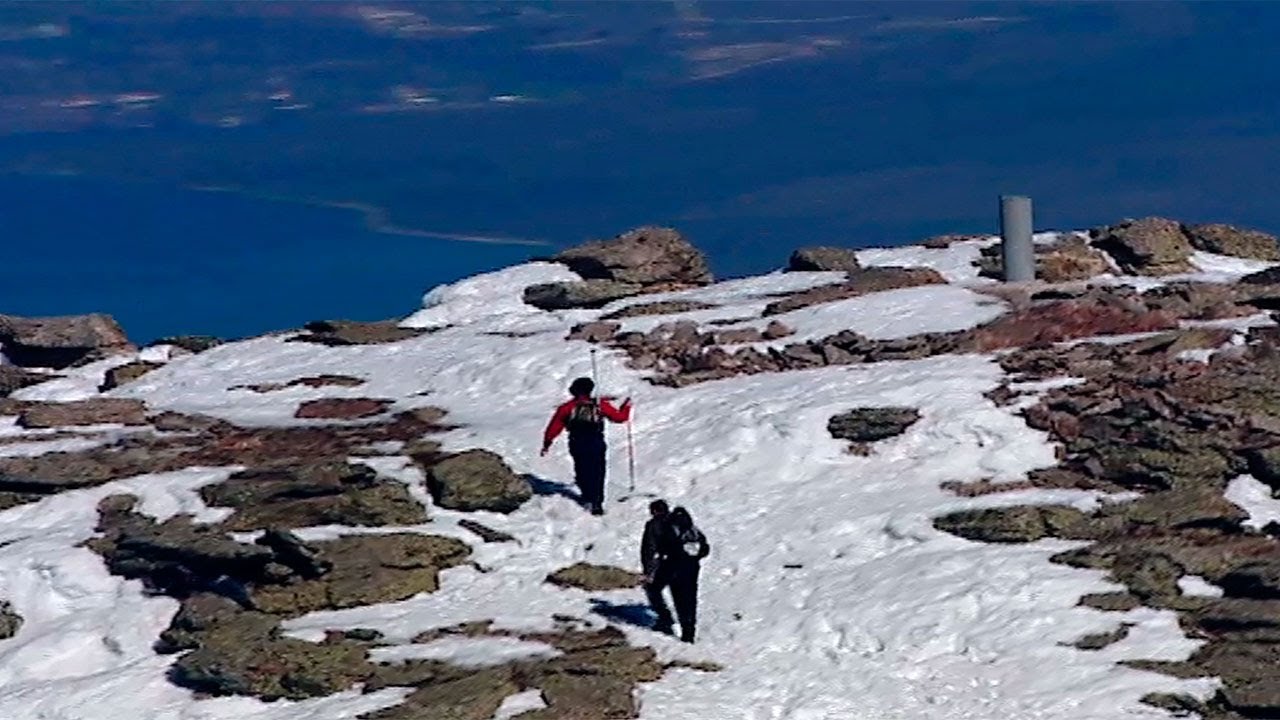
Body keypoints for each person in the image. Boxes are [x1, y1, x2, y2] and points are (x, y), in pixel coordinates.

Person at [541, 377, 631, 515]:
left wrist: (547, 443)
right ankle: (597, 502)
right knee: (598, 472)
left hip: (577, 442)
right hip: (596, 441)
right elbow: (619, 418)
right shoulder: (599, 405)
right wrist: (627, 406)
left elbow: (554, 427)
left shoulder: (566, 408)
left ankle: (587, 494)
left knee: (582, 469)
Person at [642, 504, 709, 643]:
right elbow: (705, 548)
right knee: (688, 599)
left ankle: (665, 619)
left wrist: (649, 571)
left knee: (653, 589)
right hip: (691, 566)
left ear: (654, 511)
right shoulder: (688, 525)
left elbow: (649, 549)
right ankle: (688, 634)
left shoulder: (655, 524)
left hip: (670, 564)